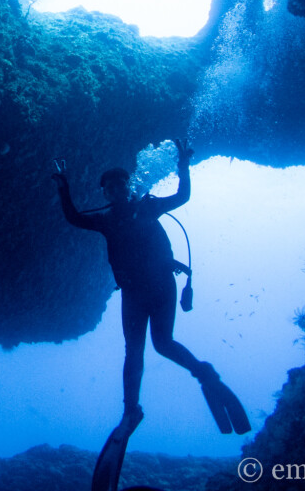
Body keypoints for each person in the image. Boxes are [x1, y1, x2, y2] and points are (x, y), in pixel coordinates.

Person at [52, 140, 250, 439]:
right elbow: (74, 218)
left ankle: (204, 376)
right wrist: (64, 187)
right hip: (134, 293)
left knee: (162, 343)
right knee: (137, 351)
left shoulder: (149, 206)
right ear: (105, 193)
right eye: (110, 187)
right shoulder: (105, 220)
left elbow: (183, 196)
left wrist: (183, 167)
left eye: (120, 183)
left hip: (159, 287)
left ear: (128, 186)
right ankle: (132, 409)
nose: (116, 190)